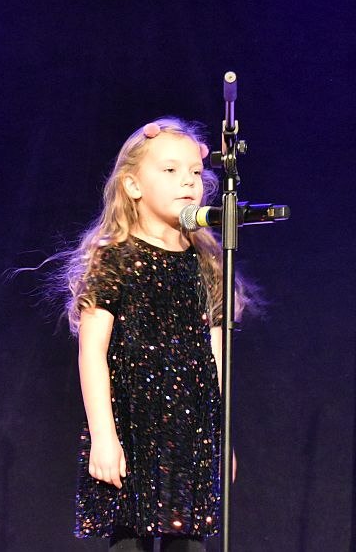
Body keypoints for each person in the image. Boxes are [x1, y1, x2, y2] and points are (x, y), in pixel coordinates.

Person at [59, 117, 254, 551]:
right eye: (170, 170)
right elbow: (92, 352)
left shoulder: (207, 261)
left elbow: (217, 355)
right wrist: (104, 436)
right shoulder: (115, 258)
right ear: (132, 185)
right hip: (133, 427)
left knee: (189, 541)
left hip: (189, 430)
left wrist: (222, 435)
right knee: (131, 538)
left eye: (195, 172)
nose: (188, 181)